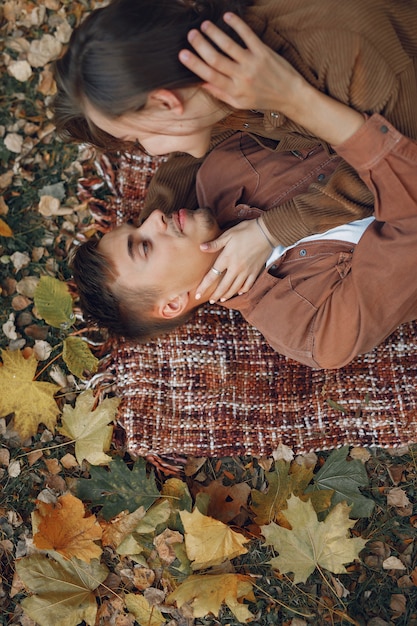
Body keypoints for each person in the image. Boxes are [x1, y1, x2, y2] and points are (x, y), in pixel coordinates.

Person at [70, 51, 417, 370]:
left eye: (137, 224)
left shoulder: (218, 173)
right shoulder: (310, 329)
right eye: (143, 246)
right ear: (173, 304)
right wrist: (273, 229)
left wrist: (168, 217)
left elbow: (215, 120)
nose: (153, 219)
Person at [53, 0, 417, 303]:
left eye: (136, 140)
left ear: (167, 103)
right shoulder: (212, 73)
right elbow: (196, 148)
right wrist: (164, 238)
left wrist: (269, 230)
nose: (146, 152)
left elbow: (393, 169)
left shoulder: (343, 64)